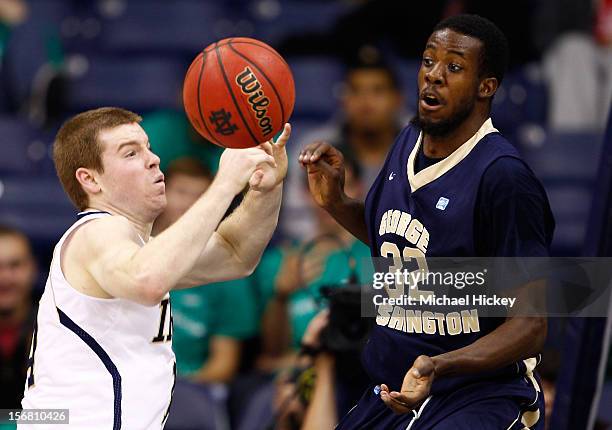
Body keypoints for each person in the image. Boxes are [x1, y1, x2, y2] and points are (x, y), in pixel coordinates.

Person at [299, 14, 554, 429]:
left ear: (486, 86)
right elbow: (399, 245)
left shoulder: (504, 177)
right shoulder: (407, 142)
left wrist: (439, 365)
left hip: (478, 398)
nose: (433, 76)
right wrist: (336, 203)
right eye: (428, 61)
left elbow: (530, 326)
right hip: (393, 391)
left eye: (453, 67)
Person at [20, 107, 291, 429]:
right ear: (90, 179)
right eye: (131, 153)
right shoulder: (96, 231)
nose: (153, 159)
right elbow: (147, 281)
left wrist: (265, 189)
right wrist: (224, 184)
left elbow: (236, 255)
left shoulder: (139, 249)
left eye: (148, 147)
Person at [284, 59, 404, 240]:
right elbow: (295, 216)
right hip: (322, 253)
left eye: (378, 90)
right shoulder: (314, 147)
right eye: (355, 90)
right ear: (342, 99)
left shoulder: (422, 147)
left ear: (398, 99)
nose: (366, 102)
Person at [0, 225, 37, 410]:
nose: (5, 278)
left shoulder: (61, 329)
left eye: (15, 266)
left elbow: (68, 416)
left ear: (32, 268)